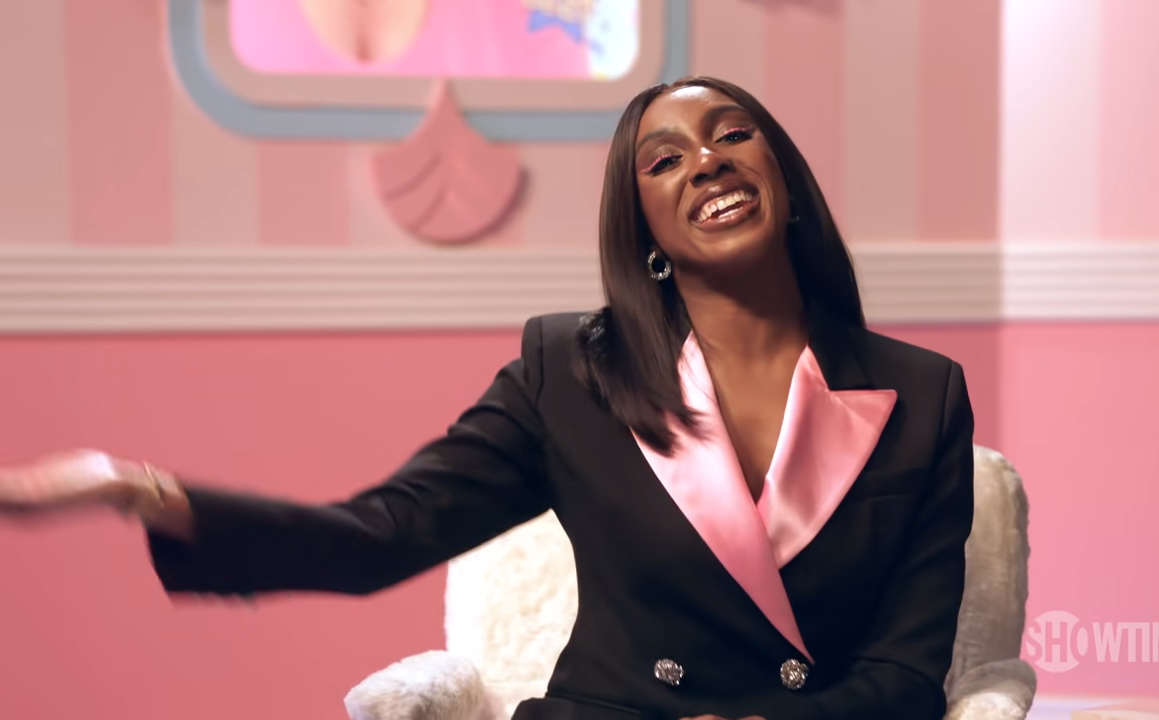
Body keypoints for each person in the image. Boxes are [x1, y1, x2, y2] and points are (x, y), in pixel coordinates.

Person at [0, 76, 975, 720]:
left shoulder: (924, 394)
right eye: (665, 159)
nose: (707, 161)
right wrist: (138, 491)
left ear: (785, 180)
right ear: (643, 231)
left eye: (731, 135)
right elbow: (380, 535)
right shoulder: (572, 372)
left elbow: (904, 673)